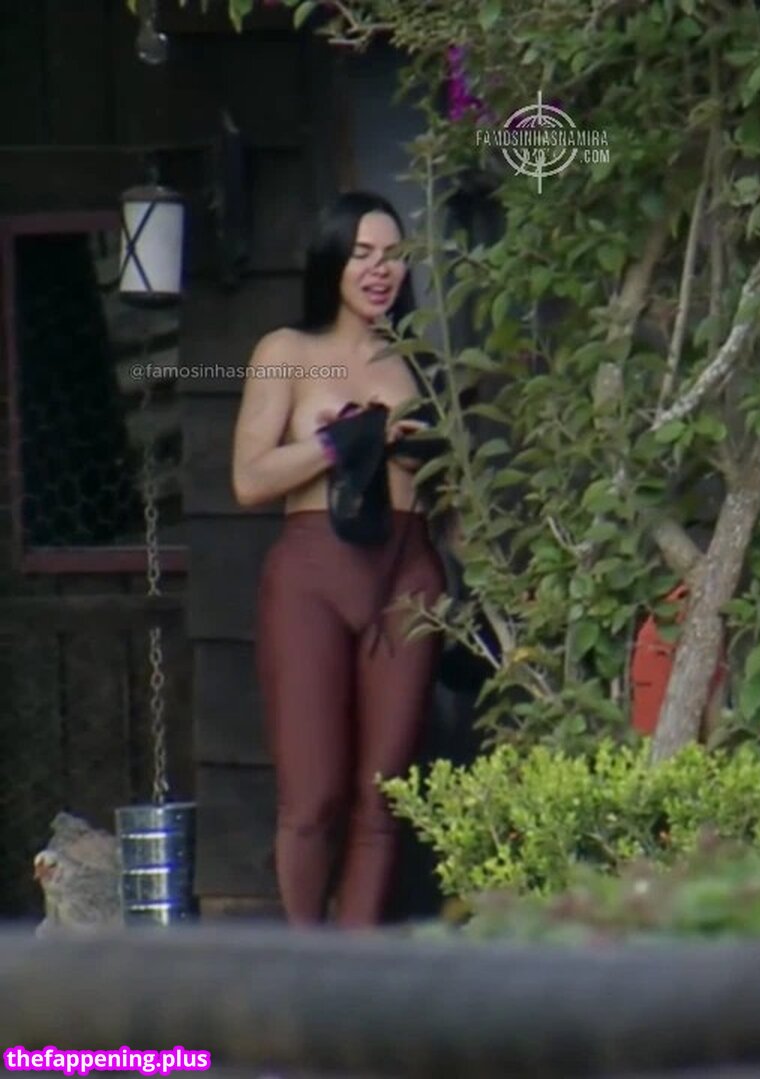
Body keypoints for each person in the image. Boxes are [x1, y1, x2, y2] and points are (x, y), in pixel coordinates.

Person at [231, 191, 447, 928]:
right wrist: (341, 441)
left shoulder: (418, 361)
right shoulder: (284, 352)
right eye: (362, 254)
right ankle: (305, 957)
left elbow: (450, 491)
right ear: (332, 260)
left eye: (393, 255)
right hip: (314, 574)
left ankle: (354, 969)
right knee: (313, 793)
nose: (380, 270)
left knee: (384, 792)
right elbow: (249, 479)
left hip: (407, 569)